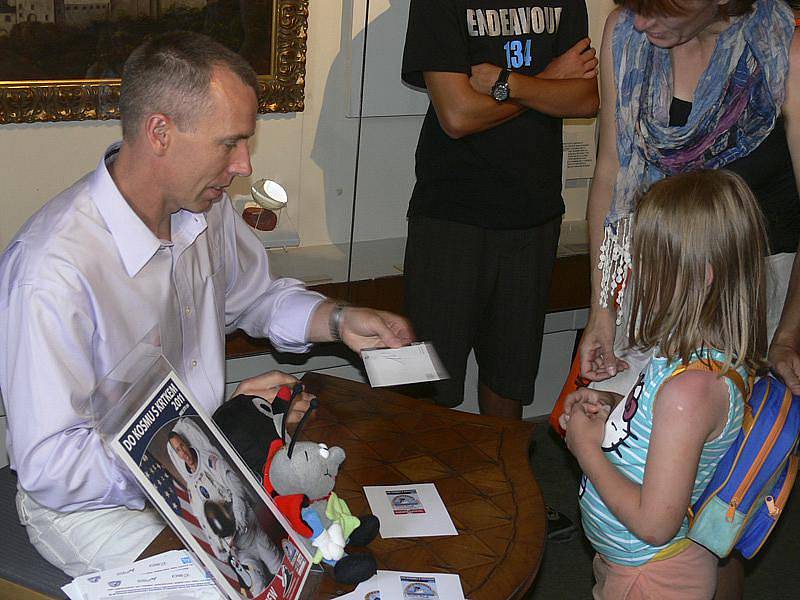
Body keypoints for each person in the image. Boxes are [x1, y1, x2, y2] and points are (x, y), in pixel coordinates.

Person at [0, 31, 413, 578]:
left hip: (203, 469)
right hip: (95, 510)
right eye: (230, 143)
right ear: (160, 133)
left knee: (325, 550)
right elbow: (53, 467)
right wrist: (202, 437)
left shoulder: (205, 209)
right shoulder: (52, 270)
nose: (244, 164)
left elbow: (258, 298)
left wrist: (337, 320)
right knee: (257, 581)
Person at [562, 169, 768, 600]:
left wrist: (586, 449)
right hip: (633, 564)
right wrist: (614, 405)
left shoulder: (690, 392)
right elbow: (665, 424)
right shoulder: (688, 358)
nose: (635, 270)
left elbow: (656, 525)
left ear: (701, 276)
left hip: (654, 577)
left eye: (649, 260)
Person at [580, 0, 799, 390]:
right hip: (656, 280)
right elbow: (610, 174)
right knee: (623, 432)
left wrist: (786, 338)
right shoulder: (626, 33)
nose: (643, 20)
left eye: (661, 8)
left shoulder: (785, 53)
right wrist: (603, 312)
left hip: (753, 294)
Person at [401, 0, 599, 420]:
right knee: (425, 388)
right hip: (451, 217)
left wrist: (508, 82)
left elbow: (584, 99)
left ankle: (501, 486)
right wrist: (548, 81)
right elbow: (456, 115)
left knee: (509, 385)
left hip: (534, 216)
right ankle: (415, 487)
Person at [167, 419, 280, 596]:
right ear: (176, 454)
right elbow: (203, 522)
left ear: (187, 443)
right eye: (178, 450)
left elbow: (236, 487)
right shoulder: (191, 488)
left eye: (182, 446)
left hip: (251, 531)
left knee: (277, 567)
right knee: (257, 588)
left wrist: (238, 512)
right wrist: (219, 549)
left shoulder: (211, 462)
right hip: (239, 549)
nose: (183, 453)